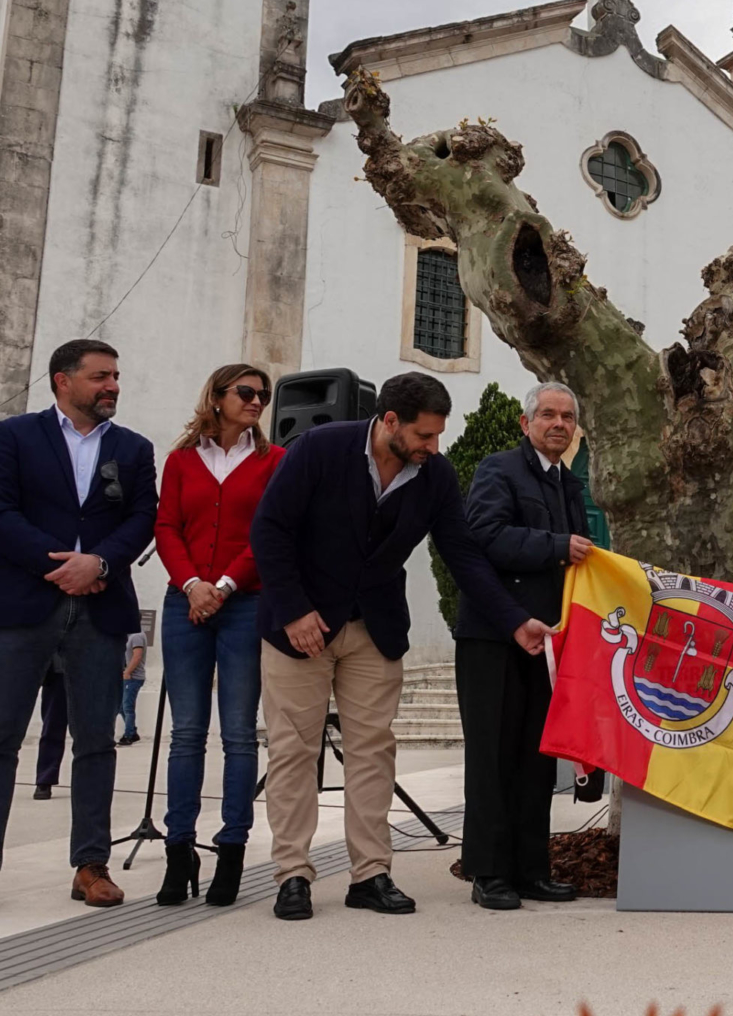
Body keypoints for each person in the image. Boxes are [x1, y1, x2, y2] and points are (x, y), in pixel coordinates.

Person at [249, 371, 551, 921]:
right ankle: (292, 874)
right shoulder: (320, 448)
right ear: (390, 421)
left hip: (376, 628)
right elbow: (270, 529)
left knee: (373, 751)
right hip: (301, 626)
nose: (433, 448)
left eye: (437, 437)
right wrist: (293, 610)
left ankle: (370, 873)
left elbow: (462, 554)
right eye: (424, 436)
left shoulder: (433, 476)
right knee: (294, 751)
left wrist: (514, 621)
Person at [0, 339, 158, 920]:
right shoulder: (12, 437)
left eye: (115, 376)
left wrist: (100, 564)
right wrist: (61, 566)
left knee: (97, 742)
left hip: (102, 607)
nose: (112, 386)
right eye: (100, 376)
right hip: (23, 604)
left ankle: (91, 866)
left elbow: (141, 518)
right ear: (63, 380)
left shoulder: (133, 448)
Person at [151, 362, 284, 907]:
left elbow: (269, 532)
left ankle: (231, 848)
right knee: (185, 735)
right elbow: (166, 527)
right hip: (185, 603)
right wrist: (190, 584)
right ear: (219, 396)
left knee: (236, 734)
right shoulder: (182, 461)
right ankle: (178, 850)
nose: (256, 402)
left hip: (244, 604)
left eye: (263, 395)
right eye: (246, 392)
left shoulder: (274, 461)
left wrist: (223, 585)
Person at [455, 382, 589, 911]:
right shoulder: (498, 469)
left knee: (537, 758)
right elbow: (483, 534)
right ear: (525, 422)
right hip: (493, 635)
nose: (558, 424)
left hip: (549, 639)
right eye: (548, 415)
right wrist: (557, 546)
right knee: (492, 755)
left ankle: (533, 869)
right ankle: (489, 873)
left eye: (568, 417)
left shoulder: (570, 484)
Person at [32, 671, 68, 799]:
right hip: (57, 671)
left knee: (89, 733)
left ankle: (89, 781)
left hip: (88, 669)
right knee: (52, 727)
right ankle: (44, 779)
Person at [117, 631, 148, 744]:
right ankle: (132, 732)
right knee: (121, 707)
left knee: (128, 707)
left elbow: (137, 655)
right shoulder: (131, 636)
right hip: (129, 677)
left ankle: (129, 735)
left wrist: (127, 672)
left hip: (133, 677)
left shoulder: (137, 636)